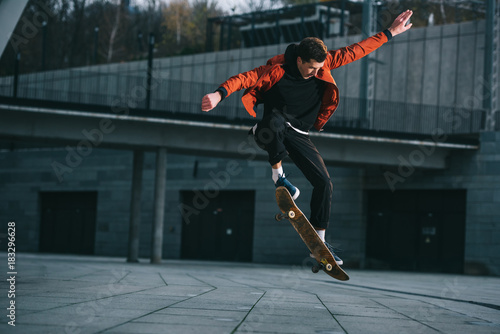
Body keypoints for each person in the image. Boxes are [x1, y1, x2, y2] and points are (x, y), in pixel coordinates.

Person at [201, 10, 413, 265]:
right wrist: (218, 94)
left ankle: (319, 243)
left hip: (299, 134)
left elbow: (357, 50)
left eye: (319, 68)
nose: (315, 72)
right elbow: (244, 78)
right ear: (300, 60)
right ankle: (278, 176)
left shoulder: (325, 63)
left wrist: (390, 32)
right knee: (276, 120)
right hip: (273, 129)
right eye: (311, 68)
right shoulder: (276, 69)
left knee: (325, 183)